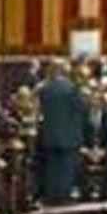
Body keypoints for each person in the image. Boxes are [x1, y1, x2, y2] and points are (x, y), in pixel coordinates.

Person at [36, 59, 86, 204]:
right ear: (64, 70)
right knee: (66, 171)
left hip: (50, 136)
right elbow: (81, 108)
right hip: (69, 137)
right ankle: (63, 200)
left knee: (51, 170)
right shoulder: (72, 89)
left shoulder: (45, 89)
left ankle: (51, 199)